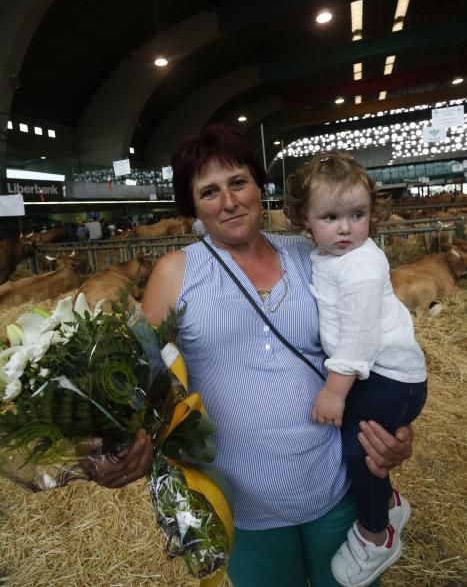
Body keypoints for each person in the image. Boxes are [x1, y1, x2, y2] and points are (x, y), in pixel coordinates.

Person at [92, 125, 414, 587]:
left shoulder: (315, 254)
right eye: (209, 192)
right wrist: (127, 444)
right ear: (192, 208)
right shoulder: (174, 272)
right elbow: (141, 380)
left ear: (260, 186)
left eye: (238, 182)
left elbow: (376, 337)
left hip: (333, 481)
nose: (228, 201)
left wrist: (397, 426)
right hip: (243, 499)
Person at [285, 150, 427, 587]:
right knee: (358, 445)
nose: (346, 228)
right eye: (330, 217)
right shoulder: (323, 257)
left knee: (360, 452)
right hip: (376, 375)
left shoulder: (362, 263)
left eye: (357, 214)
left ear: (372, 213)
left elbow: (360, 337)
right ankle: (388, 505)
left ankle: (375, 535)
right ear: (304, 220)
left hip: (389, 377)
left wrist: (334, 391)